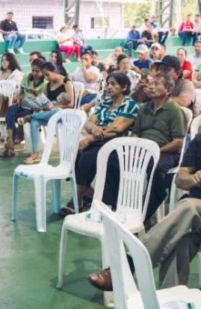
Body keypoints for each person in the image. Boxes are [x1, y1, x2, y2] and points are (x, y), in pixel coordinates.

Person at [87, 84, 201, 301]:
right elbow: (181, 177)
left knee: (188, 207)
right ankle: (168, 304)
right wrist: (193, 179)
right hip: (195, 213)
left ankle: (127, 266)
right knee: (181, 240)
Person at [98, 72, 187, 222]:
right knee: (114, 159)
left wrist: (157, 150)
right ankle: (114, 206)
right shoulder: (144, 108)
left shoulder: (174, 110)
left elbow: (178, 141)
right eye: (151, 83)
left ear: (168, 90)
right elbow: (136, 133)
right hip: (142, 149)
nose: (151, 87)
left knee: (156, 168)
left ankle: (143, 215)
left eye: (156, 84)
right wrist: (133, 148)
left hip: (165, 151)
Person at [66, 71, 140, 211]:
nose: (109, 87)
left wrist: (91, 137)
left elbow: (116, 129)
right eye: (108, 84)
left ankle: (78, 198)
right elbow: (88, 122)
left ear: (124, 87)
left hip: (116, 143)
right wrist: (96, 129)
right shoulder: (105, 102)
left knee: (87, 157)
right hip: (100, 140)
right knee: (77, 152)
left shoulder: (129, 104)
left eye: (113, 84)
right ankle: (87, 193)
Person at [22, 62, 74, 163]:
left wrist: (55, 106)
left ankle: (31, 116)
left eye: (47, 75)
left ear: (54, 71)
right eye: (44, 75)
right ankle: (35, 153)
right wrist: (38, 105)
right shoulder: (48, 85)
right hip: (50, 114)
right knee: (34, 122)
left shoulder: (67, 83)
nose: (46, 78)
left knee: (56, 110)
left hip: (64, 115)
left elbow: (71, 105)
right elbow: (44, 101)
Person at [0, 59, 48, 158]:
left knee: (10, 116)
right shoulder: (26, 77)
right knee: (11, 109)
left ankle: (10, 144)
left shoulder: (45, 83)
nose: (34, 73)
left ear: (43, 71)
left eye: (37, 71)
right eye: (33, 70)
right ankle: (10, 141)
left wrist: (36, 94)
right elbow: (21, 92)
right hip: (21, 105)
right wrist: (18, 98)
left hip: (33, 109)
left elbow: (44, 101)